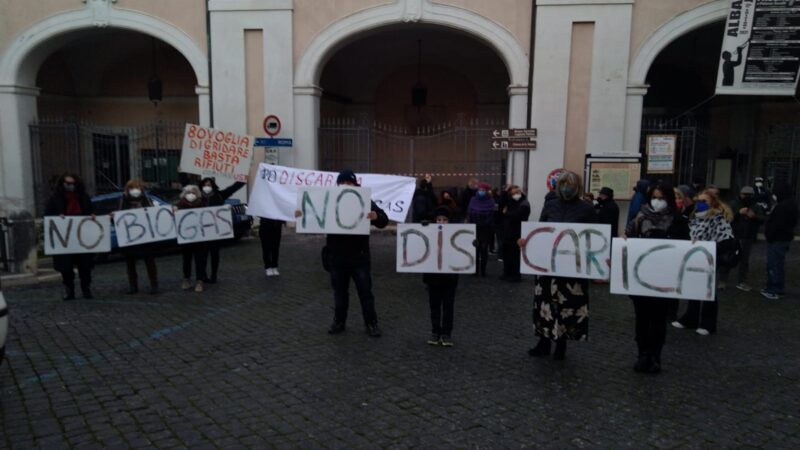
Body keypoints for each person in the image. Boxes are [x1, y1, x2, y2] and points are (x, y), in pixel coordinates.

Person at [299, 169, 389, 337]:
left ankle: (372, 324)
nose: (346, 185)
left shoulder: (364, 200)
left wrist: (377, 216)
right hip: (337, 257)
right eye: (343, 182)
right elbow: (312, 216)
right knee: (340, 294)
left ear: (355, 184)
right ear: (338, 184)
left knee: (365, 293)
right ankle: (339, 322)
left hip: (359, 258)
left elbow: (384, 220)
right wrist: (301, 215)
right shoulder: (330, 201)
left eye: (349, 183)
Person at [520, 171, 596, 361]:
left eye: (570, 184)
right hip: (547, 266)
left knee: (567, 305)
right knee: (544, 304)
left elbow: (593, 237)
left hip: (571, 268)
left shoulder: (586, 208)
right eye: (562, 183)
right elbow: (540, 230)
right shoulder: (550, 205)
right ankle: (543, 341)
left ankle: (561, 343)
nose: (566, 187)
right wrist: (526, 243)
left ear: (577, 186)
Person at [624, 182, 690, 374]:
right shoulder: (639, 218)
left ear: (668, 198)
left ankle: (655, 356)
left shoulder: (677, 220)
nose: (657, 201)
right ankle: (642, 354)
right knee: (642, 319)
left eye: (661, 197)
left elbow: (683, 245)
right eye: (654, 197)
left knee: (658, 320)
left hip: (663, 279)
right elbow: (629, 236)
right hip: (641, 278)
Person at [672, 189, 734, 335]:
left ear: (712, 202)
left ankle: (708, 323)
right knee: (693, 287)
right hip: (694, 257)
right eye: (698, 201)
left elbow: (727, 239)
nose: (700, 203)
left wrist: (710, 249)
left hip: (711, 257)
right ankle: (690, 318)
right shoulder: (694, 217)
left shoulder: (718, 218)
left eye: (704, 201)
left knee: (708, 290)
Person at [45, 174, 95, 300]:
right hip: (64, 239)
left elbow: (91, 211)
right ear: (62, 184)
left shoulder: (83, 197)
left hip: (82, 238)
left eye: (72, 183)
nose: (70, 186)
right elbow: (48, 216)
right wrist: (58, 217)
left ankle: (86, 288)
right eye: (67, 183)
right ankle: (69, 290)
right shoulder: (54, 199)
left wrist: (93, 216)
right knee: (66, 267)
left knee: (85, 266)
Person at [423, 206, 461, 347]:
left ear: (449, 221)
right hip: (433, 278)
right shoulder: (430, 233)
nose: (441, 222)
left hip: (449, 278)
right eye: (438, 219)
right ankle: (435, 331)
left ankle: (446, 333)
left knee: (448, 306)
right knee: (434, 306)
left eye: (444, 220)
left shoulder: (454, 235)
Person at [200, 177, 246, 283]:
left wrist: (243, 180)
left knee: (214, 254)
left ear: (213, 186)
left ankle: (214, 275)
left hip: (215, 231)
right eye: (205, 185)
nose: (207, 187)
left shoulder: (219, 195)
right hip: (202, 232)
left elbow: (233, 188)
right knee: (202, 255)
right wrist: (182, 174)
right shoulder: (199, 197)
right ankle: (203, 275)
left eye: (209, 185)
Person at [117, 179, 159, 295]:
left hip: (145, 236)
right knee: (130, 262)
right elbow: (120, 214)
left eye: (137, 187)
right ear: (128, 189)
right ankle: (133, 285)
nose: (135, 190)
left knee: (149, 261)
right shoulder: (123, 199)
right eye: (132, 188)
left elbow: (153, 213)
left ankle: (154, 284)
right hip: (130, 237)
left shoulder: (146, 199)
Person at [761, 183, 798, 300]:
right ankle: (776, 287)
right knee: (778, 264)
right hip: (783, 238)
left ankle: (774, 289)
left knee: (774, 264)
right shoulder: (791, 204)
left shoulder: (782, 207)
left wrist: (770, 235)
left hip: (777, 239)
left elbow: (778, 225)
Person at [724, 186, 765, 292]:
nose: (746, 197)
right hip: (733, 235)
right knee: (728, 257)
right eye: (744, 194)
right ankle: (722, 280)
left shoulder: (755, 205)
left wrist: (754, 216)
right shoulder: (733, 204)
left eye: (749, 195)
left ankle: (742, 281)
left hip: (748, 236)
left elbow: (762, 219)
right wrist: (738, 213)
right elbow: (726, 218)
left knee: (744, 260)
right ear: (740, 194)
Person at [176, 185, 208, 293]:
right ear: (184, 194)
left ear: (197, 194)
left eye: (193, 192)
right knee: (186, 259)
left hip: (200, 238)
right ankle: (186, 279)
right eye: (188, 192)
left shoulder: (202, 203)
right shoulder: (179, 205)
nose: (191, 195)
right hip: (186, 238)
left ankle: (200, 281)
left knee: (200, 260)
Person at [500, 185, 530, 282]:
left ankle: (516, 275)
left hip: (518, 232)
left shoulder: (524, 203)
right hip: (507, 232)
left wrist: (506, 214)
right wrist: (505, 191)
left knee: (515, 256)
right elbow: (501, 204)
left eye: (517, 192)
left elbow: (519, 215)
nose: (515, 195)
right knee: (507, 254)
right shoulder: (511, 202)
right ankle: (507, 273)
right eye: (513, 193)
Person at [467, 182, 496, 276]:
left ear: (486, 191)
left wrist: (486, 223)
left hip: (485, 229)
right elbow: (469, 212)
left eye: (483, 190)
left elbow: (492, 215)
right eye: (480, 190)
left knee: (483, 250)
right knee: (475, 249)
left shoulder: (490, 201)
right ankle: (475, 270)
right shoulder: (473, 200)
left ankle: (483, 271)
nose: (481, 192)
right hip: (474, 228)